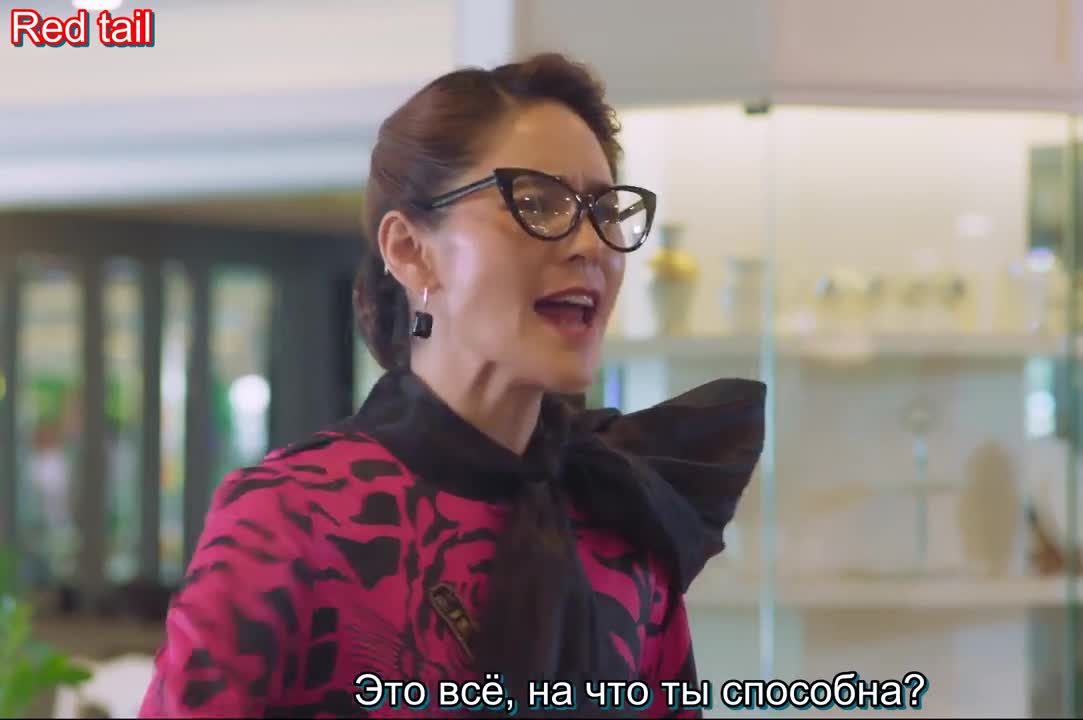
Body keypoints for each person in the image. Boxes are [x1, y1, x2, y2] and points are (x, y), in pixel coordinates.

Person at [138, 53, 765, 719]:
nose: (591, 245)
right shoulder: (291, 519)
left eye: (604, 211)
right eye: (537, 203)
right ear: (410, 250)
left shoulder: (624, 518)